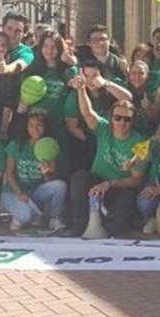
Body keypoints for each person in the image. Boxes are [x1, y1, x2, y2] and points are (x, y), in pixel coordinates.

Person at [66, 78, 147, 237]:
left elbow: (136, 179)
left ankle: (109, 230)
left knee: (124, 208)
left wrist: (110, 184)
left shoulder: (142, 143)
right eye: (117, 118)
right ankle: (78, 226)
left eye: (127, 119)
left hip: (119, 186)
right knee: (79, 178)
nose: (121, 122)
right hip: (96, 180)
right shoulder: (104, 129)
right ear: (111, 118)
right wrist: (81, 90)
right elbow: (88, 113)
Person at [2, 112, 68, 232]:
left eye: (39, 125)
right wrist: (19, 193)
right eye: (31, 126)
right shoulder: (16, 144)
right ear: (26, 127)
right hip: (14, 192)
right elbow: (9, 172)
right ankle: (21, 217)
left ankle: (54, 218)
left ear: (45, 127)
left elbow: (49, 181)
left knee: (60, 185)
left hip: (34, 193)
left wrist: (46, 172)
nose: (35, 129)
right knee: (25, 215)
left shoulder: (50, 146)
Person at [17, 30, 77, 143]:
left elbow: (76, 88)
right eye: (46, 46)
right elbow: (24, 91)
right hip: (35, 125)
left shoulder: (68, 70)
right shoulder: (32, 68)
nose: (49, 50)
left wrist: (72, 62)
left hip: (57, 125)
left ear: (59, 48)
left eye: (53, 46)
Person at [124, 59, 157, 135]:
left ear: (147, 75)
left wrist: (148, 108)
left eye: (141, 73)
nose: (137, 77)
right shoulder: (124, 89)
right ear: (129, 75)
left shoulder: (152, 92)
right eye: (133, 73)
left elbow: (156, 119)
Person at [0, 12, 36, 76]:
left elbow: (20, 64)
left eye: (18, 31)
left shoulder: (26, 52)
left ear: (24, 34)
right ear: (3, 28)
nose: (12, 34)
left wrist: (6, 68)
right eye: (9, 28)